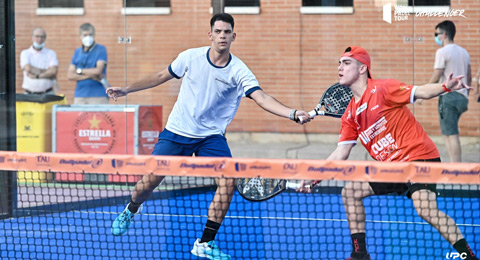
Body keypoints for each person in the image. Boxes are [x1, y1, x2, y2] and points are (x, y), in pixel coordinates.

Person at [106, 13, 312, 260]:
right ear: (211, 35)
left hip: (210, 137)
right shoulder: (190, 57)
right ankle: (131, 208)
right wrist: (126, 89)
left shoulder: (239, 70)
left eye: (227, 32)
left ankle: (205, 242)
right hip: (177, 131)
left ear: (233, 36)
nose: (222, 36)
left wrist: (291, 113)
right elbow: (161, 76)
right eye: (218, 31)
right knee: (149, 182)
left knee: (229, 181)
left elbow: (262, 98)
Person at [299, 46, 477, 260]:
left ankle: (468, 256)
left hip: (418, 158)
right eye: (339, 63)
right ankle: (360, 254)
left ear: (362, 68)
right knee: (350, 193)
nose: (340, 68)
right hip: (392, 169)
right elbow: (340, 152)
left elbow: (420, 91)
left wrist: (445, 87)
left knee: (425, 209)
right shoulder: (350, 114)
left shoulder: (383, 89)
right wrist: (316, 176)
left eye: (346, 63)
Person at [429, 20, 471, 162]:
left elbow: (437, 74)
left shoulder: (442, 52)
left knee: (450, 134)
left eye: (437, 34)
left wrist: (424, 91)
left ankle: (456, 170)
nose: (436, 37)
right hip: (462, 97)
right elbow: (469, 76)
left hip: (449, 97)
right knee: (448, 132)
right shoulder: (464, 52)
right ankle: (453, 167)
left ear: (445, 34)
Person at [67, 23, 109, 104]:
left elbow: (98, 71)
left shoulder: (101, 49)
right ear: (80, 36)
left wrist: (79, 71)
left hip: (98, 95)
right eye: (85, 35)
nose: (88, 37)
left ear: (94, 35)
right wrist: (90, 75)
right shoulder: (77, 52)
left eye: (90, 34)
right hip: (80, 95)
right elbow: (70, 75)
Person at [20, 27, 58, 95]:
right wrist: (48, 72)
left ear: (45, 38)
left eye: (42, 37)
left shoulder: (51, 53)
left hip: (47, 93)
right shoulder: (25, 53)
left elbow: (53, 71)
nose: (39, 39)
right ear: (32, 37)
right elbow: (28, 69)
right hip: (29, 93)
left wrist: (36, 76)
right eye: (37, 36)